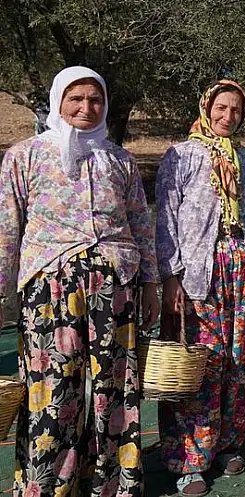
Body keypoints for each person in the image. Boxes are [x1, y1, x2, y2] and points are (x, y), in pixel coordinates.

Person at [0, 66, 158, 497]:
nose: (86, 107)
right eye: (76, 98)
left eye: (95, 99)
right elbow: (7, 230)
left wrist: (149, 283)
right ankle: (48, 485)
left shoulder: (119, 159)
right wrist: (3, 294)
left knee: (116, 387)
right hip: (50, 288)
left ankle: (113, 485)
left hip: (115, 284)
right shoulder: (24, 156)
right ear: (58, 101)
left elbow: (140, 225)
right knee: (52, 389)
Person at [155, 79, 245, 496]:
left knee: (239, 361)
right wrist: (171, 276)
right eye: (221, 108)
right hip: (199, 273)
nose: (227, 117)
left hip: (242, 267)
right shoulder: (181, 156)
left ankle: (228, 442)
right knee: (201, 362)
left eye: (236, 110)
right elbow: (165, 218)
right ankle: (189, 460)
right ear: (206, 107)